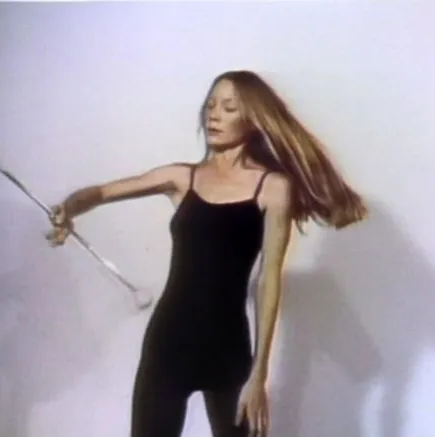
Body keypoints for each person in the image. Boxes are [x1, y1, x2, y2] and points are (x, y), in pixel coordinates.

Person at [46, 70, 367, 437]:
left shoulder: (273, 188)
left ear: (253, 120)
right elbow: (102, 193)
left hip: (229, 352)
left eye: (229, 107)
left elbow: (269, 279)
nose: (214, 115)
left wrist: (258, 374)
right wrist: (69, 208)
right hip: (168, 344)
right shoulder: (182, 178)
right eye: (211, 105)